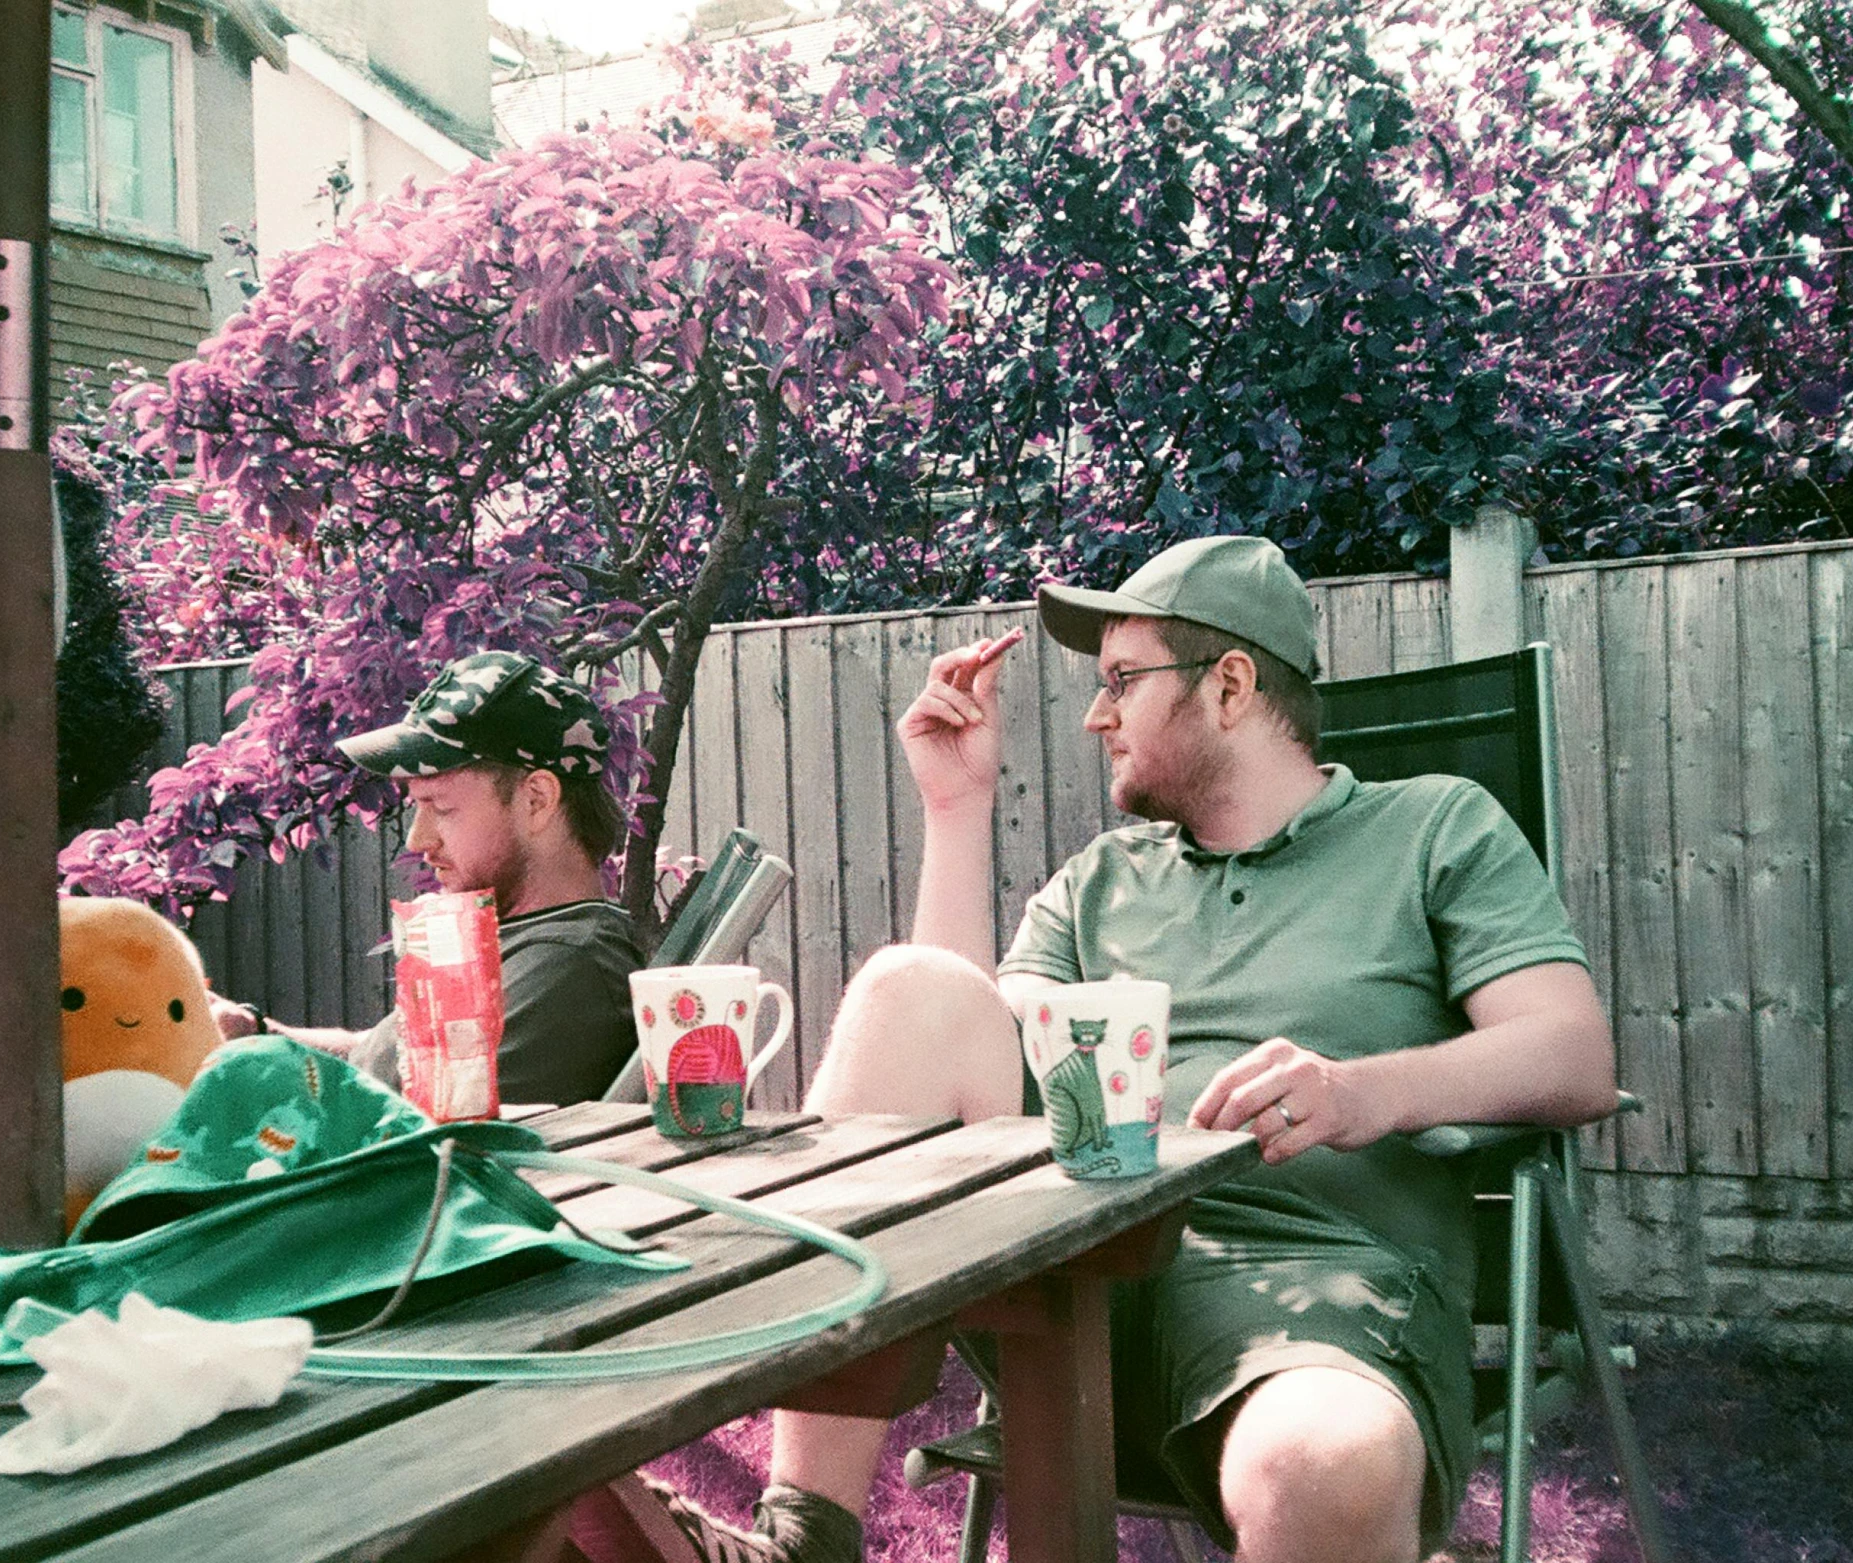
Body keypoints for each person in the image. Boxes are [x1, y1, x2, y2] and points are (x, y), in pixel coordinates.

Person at [643, 535, 1618, 1563]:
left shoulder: (1433, 831)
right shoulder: (1101, 880)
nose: (1094, 715)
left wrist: (1363, 1090)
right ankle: (806, 1538)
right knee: (907, 986)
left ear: (1231, 684)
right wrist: (954, 805)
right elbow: (948, 1051)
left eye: (1120, 681)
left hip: (1310, 1300)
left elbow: (1574, 1054)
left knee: (1325, 1467)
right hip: (1068, 1272)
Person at [210, 650, 644, 1108]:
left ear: (536, 800)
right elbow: (381, 1062)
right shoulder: (521, 944)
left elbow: (396, 1132)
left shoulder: (567, 972)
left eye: (441, 808)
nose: (417, 840)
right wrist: (257, 1034)